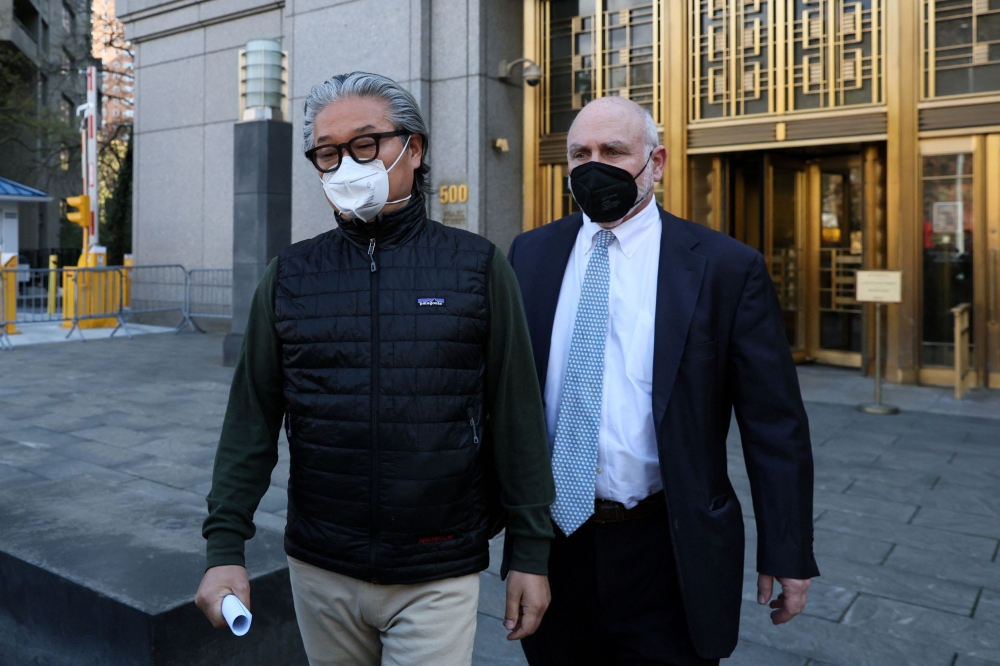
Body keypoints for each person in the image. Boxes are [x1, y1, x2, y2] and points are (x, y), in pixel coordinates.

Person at [194, 71, 555, 666]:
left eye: (365, 145)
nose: (345, 167)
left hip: (438, 565)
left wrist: (530, 553)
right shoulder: (289, 276)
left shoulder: (478, 267)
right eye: (327, 153)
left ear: (414, 148)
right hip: (320, 566)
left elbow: (517, 416)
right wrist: (223, 546)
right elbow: (250, 424)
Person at [507, 96, 820, 666]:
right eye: (580, 153)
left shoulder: (725, 267)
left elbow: (773, 423)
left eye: (613, 151)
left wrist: (788, 547)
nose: (593, 165)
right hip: (556, 548)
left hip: (670, 547)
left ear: (657, 162)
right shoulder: (530, 254)